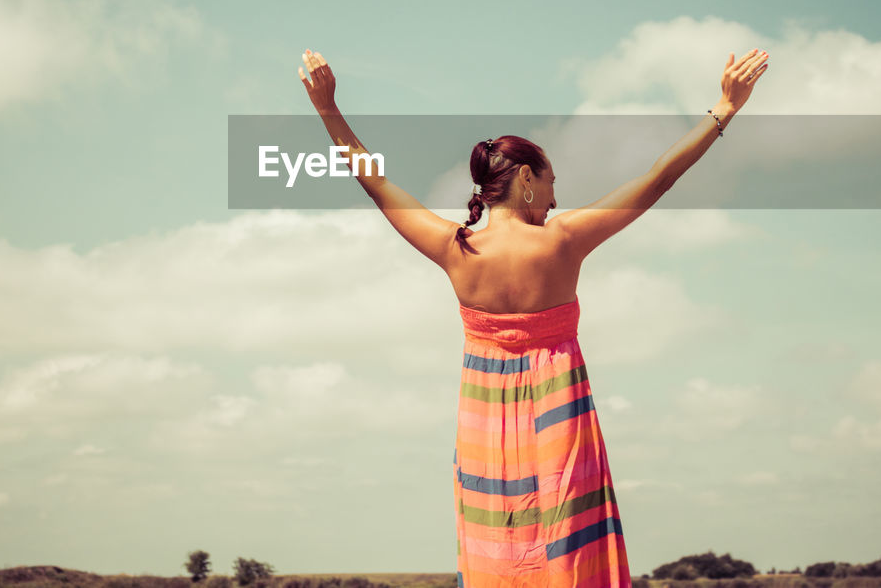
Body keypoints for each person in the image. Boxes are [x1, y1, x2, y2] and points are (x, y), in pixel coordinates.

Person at [297, 47, 769, 588]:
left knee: (498, 540)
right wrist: (724, 110)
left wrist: (328, 110)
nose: (554, 194)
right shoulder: (563, 240)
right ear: (525, 177)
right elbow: (658, 177)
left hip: (483, 423)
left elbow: (374, 182)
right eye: (549, 182)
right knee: (568, 543)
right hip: (559, 413)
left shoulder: (454, 248)